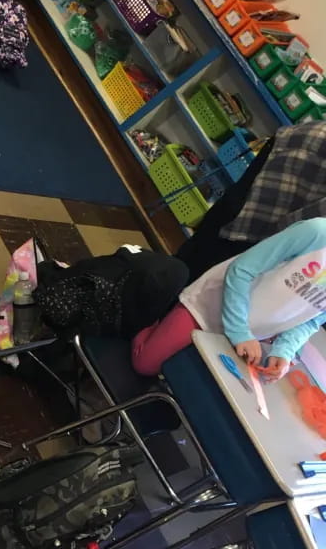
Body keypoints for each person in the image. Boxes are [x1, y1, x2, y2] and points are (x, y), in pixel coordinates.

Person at [132, 218, 326, 378]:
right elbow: (241, 270)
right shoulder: (317, 232)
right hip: (209, 309)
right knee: (146, 365)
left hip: (250, 336)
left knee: (186, 378)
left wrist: (284, 350)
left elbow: (310, 322)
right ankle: (151, 320)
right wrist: (240, 332)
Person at [175, 122, 326, 282]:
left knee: (205, 251)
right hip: (287, 176)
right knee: (205, 263)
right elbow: (303, 229)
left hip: (298, 156)